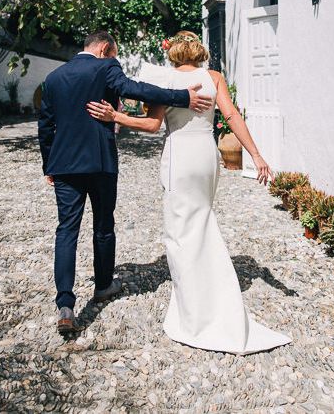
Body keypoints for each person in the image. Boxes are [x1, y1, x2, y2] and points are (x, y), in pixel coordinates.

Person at [86, 31, 291, 354]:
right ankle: (216, 293)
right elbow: (232, 116)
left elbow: (152, 126)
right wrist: (256, 155)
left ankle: (194, 311)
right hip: (207, 157)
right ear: (200, 52)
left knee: (181, 233)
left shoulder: (164, 80)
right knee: (203, 222)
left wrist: (116, 117)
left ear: (173, 53)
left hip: (180, 156)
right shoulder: (213, 77)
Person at [38, 31, 214, 334]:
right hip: (100, 163)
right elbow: (135, 89)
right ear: (105, 49)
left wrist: (48, 164)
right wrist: (182, 97)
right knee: (103, 226)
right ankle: (104, 285)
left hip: (64, 165)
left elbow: (46, 126)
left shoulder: (53, 78)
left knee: (66, 230)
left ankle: (66, 304)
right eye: (114, 53)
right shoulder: (106, 67)